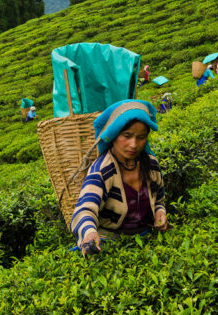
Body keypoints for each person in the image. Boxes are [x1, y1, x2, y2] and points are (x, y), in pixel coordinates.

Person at [71, 100, 168, 257]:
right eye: (127, 136)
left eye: (141, 137)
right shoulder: (102, 170)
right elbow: (84, 210)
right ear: (114, 135)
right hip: (110, 243)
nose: (134, 144)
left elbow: (159, 199)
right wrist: (89, 233)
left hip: (147, 237)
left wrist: (159, 212)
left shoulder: (151, 164)